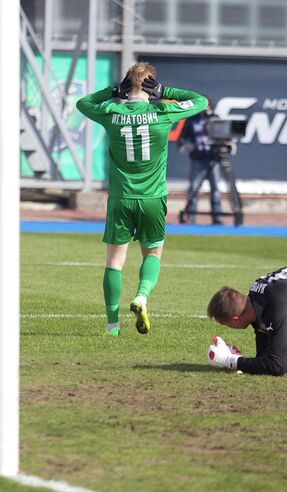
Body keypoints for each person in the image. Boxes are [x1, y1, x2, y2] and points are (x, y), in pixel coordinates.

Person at [76, 62, 208, 337]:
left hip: (121, 198)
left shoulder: (111, 111)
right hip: (153, 198)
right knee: (152, 252)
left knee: (114, 261)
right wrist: (165, 91)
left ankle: (113, 326)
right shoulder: (163, 111)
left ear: (126, 85)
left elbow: (83, 103)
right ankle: (142, 297)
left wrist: (111, 92)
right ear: (151, 85)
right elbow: (201, 101)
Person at [179, 108, 224, 225]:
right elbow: (182, 138)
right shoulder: (191, 120)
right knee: (193, 188)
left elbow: (223, 136)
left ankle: (217, 217)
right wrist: (189, 147)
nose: (205, 109)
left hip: (213, 159)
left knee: (215, 189)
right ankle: (192, 217)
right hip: (197, 158)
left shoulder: (216, 119)